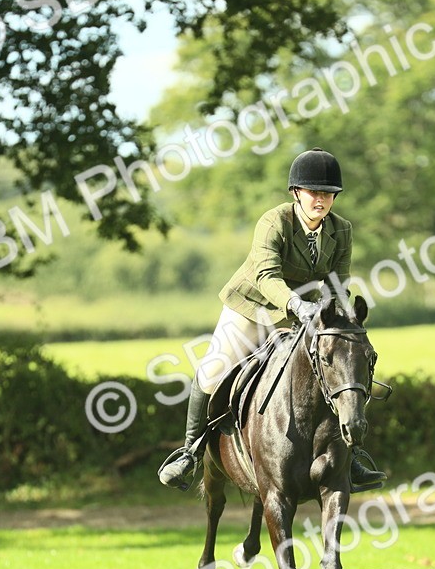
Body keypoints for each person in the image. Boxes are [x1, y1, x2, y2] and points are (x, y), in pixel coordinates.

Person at [157, 147, 386, 491]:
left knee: (333, 367)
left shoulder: (342, 230)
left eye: (328, 194)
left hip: (301, 314)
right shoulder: (274, 221)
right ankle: (189, 453)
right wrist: (297, 305)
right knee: (212, 370)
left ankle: (350, 457)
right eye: (314, 193)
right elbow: (266, 275)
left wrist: (337, 320)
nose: (321, 200)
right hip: (252, 308)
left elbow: (338, 283)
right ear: (297, 193)